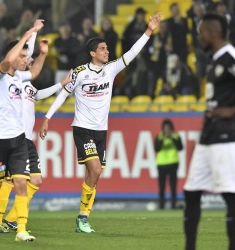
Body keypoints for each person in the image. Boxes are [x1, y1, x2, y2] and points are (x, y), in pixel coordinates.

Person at [39, 12, 162, 233]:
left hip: (101, 131)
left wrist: (148, 31)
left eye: (107, 49)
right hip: (83, 128)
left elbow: (132, 53)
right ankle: (83, 217)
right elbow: (63, 95)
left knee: (94, 174)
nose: (107, 52)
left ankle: (82, 218)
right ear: (93, 53)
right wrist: (47, 117)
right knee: (95, 170)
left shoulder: (111, 69)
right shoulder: (79, 73)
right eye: (103, 49)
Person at [183, 13, 235, 250]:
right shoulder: (214, 59)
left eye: (201, 32)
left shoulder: (231, 56)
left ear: (213, 33)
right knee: (191, 192)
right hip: (208, 134)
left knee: (229, 194)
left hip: (227, 135)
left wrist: (234, 109)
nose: (198, 36)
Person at [0, 22, 48, 241]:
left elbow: (36, 71)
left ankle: (21, 229)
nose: (25, 60)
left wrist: (42, 54)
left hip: (18, 138)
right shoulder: (1, 73)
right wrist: (30, 34)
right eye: (23, 56)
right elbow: (9, 60)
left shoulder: (20, 77)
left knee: (20, 182)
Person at [154, 119, 183, 209]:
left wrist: (172, 138)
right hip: (161, 164)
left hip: (173, 163)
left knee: (173, 186)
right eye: (165, 128)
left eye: (168, 128)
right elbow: (156, 148)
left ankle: (173, 205)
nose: (166, 130)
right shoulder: (159, 136)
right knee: (161, 186)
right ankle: (161, 205)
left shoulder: (175, 136)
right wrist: (163, 139)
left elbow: (180, 147)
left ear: (171, 128)